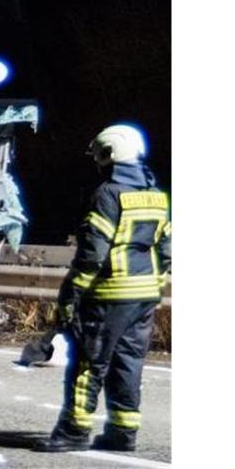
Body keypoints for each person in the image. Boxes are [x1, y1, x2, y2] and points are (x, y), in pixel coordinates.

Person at [35, 124, 171, 453]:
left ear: (109, 154)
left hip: (109, 294)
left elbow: (92, 254)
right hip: (145, 295)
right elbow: (167, 249)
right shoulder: (156, 195)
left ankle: (73, 432)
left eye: (99, 155)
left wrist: (71, 293)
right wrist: (151, 282)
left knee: (89, 362)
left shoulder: (108, 193)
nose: (97, 162)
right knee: (128, 363)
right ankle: (123, 434)